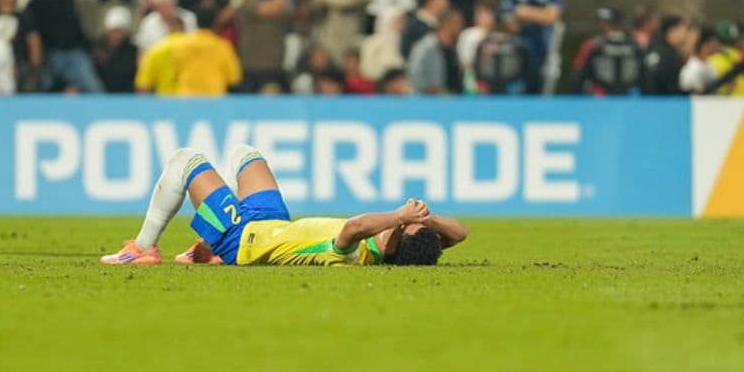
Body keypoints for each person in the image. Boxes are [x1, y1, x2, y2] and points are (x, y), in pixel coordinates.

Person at [97, 145, 468, 266]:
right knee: (246, 154)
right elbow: (461, 234)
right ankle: (205, 249)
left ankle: (142, 248)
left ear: (392, 241)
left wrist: (402, 215)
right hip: (273, 222)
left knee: (185, 161)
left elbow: (354, 226)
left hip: (243, 238)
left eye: (403, 228)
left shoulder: (352, 250)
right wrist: (427, 220)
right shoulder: (395, 246)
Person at [25, 0, 106, 93]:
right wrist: (38, 54)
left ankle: (101, 112)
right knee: (46, 89)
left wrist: (90, 47)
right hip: (50, 53)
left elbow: (77, 28)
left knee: (93, 88)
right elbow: (32, 29)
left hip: (74, 52)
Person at [503, 0, 561, 94]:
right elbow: (511, 24)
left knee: (539, 92)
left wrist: (524, 12)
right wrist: (541, 14)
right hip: (517, 54)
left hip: (543, 51)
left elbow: (552, 17)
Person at [172, 0, 242, 95]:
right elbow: (233, 78)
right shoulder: (223, 46)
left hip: (186, 100)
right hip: (213, 100)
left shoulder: (181, 45)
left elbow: (174, 72)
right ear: (215, 22)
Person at [572, 7, 646, 96]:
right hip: (625, 97)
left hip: (601, 98)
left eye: (604, 22)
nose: (601, 25)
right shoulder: (635, 44)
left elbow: (578, 75)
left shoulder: (592, 45)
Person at [408, 8, 465, 95]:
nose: (460, 27)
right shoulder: (425, 47)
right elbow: (414, 72)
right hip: (428, 101)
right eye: (457, 23)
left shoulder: (453, 48)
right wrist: (430, 89)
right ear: (446, 24)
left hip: (452, 100)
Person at [92, 5, 138, 93]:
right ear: (107, 30)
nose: (116, 35)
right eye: (114, 31)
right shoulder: (96, 48)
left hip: (125, 96)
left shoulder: (132, 51)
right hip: (100, 96)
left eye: (120, 31)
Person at [643, 15, 691, 96]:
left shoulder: (654, 48)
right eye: (684, 30)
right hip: (663, 104)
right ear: (672, 30)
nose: (686, 35)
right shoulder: (665, 55)